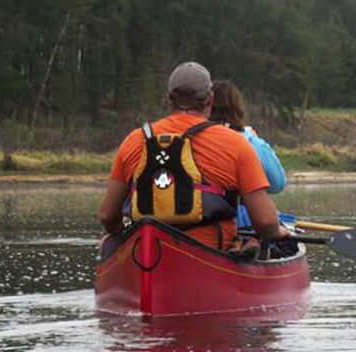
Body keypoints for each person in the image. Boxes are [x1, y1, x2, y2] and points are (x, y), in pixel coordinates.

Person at [96, 62, 290, 251]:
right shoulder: (236, 144)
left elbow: (107, 215)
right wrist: (277, 232)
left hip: (146, 250)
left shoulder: (134, 140)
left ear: (169, 99)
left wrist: (119, 232)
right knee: (259, 246)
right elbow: (265, 222)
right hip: (212, 253)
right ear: (210, 99)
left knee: (110, 246)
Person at [208, 80, 289, 228]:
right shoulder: (250, 142)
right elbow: (277, 184)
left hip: (202, 221)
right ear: (238, 108)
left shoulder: (191, 139)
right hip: (241, 223)